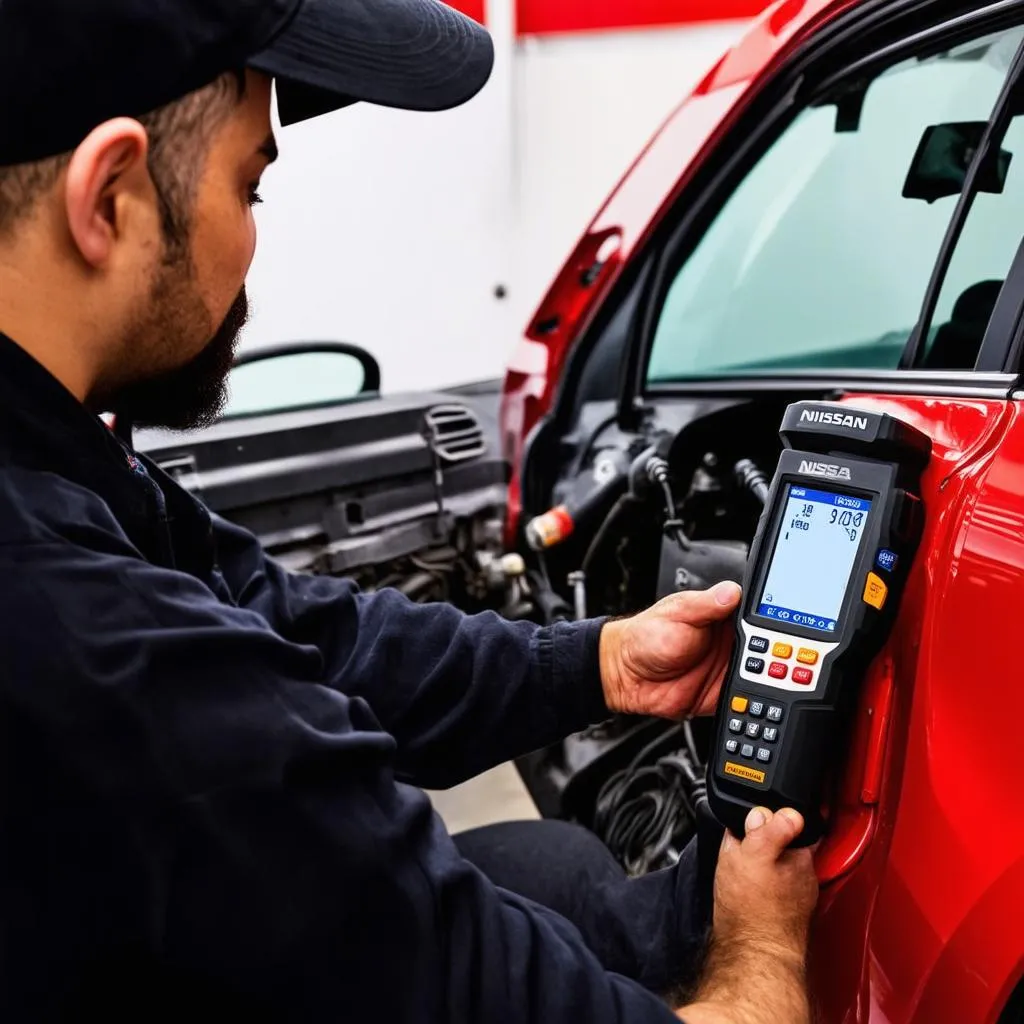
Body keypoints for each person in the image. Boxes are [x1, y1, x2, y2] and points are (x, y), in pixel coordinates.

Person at [0, 0, 819, 1021]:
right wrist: (762, 941)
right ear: (109, 196)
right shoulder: (100, 654)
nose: (253, 242)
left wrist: (597, 660)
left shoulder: (62, 461)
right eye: (250, 184)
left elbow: (290, 623)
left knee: (547, 862)